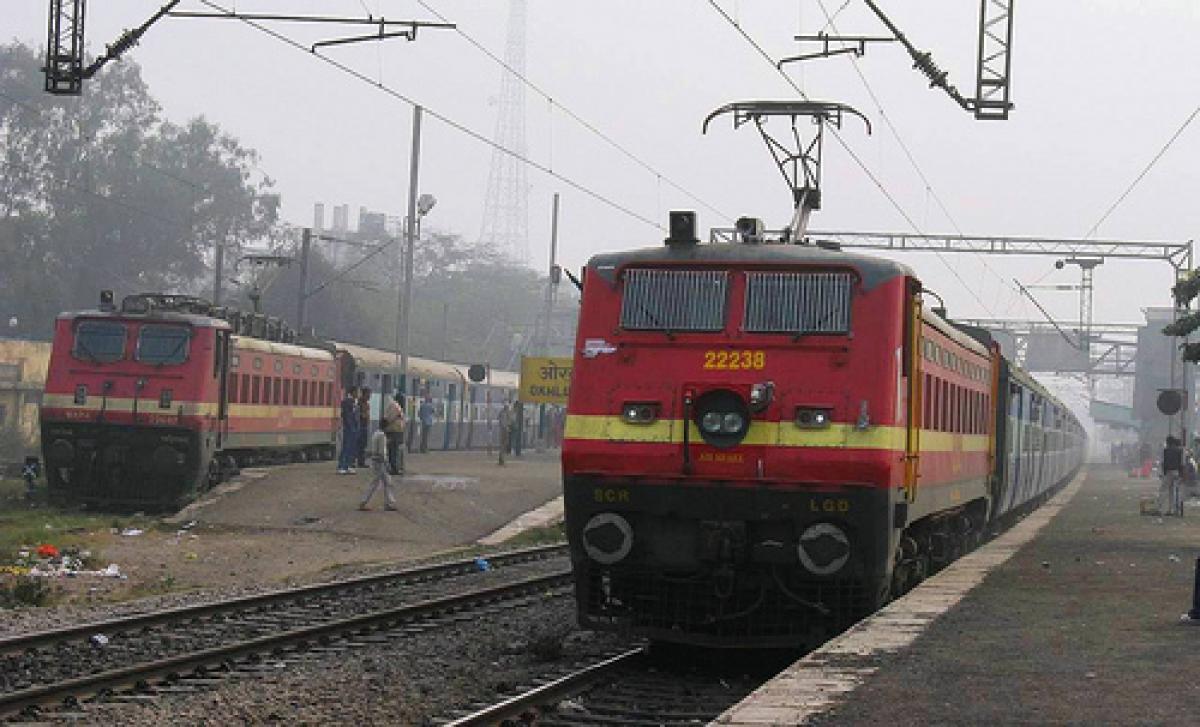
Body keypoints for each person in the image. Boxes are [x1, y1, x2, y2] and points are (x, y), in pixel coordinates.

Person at [359, 427, 397, 511]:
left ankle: (389, 502)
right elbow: (382, 452)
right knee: (381, 482)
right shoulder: (382, 436)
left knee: (384, 482)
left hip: (376, 461)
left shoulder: (376, 433)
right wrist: (387, 464)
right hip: (380, 462)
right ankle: (388, 503)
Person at [337, 386, 360, 475]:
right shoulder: (346, 402)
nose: (358, 394)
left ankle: (349, 465)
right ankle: (342, 466)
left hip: (355, 427)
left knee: (352, 447)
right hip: (349, 428)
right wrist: (351, 426)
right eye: (357, 392)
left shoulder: (355, 402)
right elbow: (347, 415)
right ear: (353, 392)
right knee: (346, 446)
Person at [383, 391, 406, 475]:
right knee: (393, 450)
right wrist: (398, 417)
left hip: (396, 430)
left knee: (394, 449)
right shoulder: (394, 406)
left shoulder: (397, 406)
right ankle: (393, 467)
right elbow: (390, 418)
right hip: (393, 430)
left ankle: (394, 467)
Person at [1161, 436, 1184, 516]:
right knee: (1175, 491)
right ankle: (1176, 510)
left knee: (1164, 490)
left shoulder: (1166, 450)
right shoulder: (1179, 451)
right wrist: (1181, 474)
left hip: (1169, 472)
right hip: (1177, 472)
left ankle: (1163, 508)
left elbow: (1164, 463)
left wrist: (1164, 473)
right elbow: (1181, 464)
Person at [356, 387, 373, 468]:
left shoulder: (366, 403)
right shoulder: (360, 403)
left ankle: (361, 461)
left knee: (363, 444)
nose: (370, 396)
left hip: (364, 425)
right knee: (360, 444)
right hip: (361, 426)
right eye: (368, 394)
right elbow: (361, 415)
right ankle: (360, 462)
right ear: (364, 394)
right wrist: (365, 416)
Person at [497, 400, 512, 466]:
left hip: (502, 430)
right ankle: (502, 460)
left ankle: (501, 459)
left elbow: (498, 419)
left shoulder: (501, 412)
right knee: (504, 445)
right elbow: (509, 421)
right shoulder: (506, 413)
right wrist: (507, 427)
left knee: (502, 445)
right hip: (504, 430)